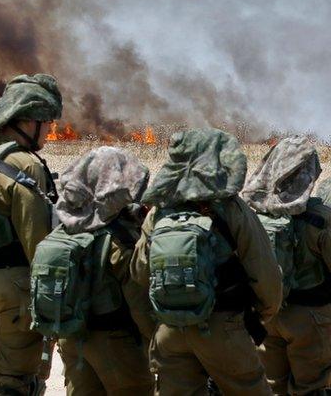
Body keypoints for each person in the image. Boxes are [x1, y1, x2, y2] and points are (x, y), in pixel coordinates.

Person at [131, 128, 282, 396]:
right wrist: (259, 316)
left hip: (170, 331)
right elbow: (264, 272)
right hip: (222, 327)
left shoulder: (159, 210)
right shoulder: (232, 208)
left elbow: (140, 272)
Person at [0, 74, 62, 395]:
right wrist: (52, 305)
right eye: (46, 123)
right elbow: (39, 244)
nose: (50, 130)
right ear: (25, 122)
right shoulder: (25, 165)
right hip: (15, 290)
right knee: (16, 382)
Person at [40, 146, 155, 395]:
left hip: (72, 341)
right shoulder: (119, 238)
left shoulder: (66, 228)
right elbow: (140, 304)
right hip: (116, 344)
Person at [241, 135, 331, 395]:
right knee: (311, 387)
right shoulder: (320, 219)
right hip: (311, 320)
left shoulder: (250, 215)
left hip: (267, 316)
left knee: (272, 386)